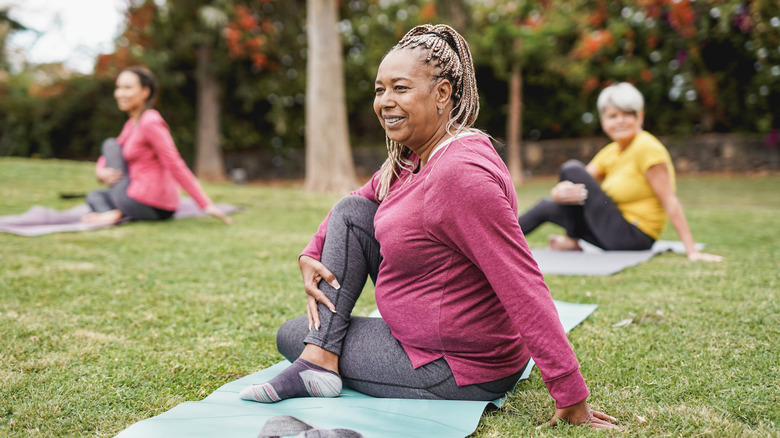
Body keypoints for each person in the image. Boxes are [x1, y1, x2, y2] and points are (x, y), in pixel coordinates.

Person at [239, 24, 620, 430]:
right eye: (379, 89)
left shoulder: (460, 175)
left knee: (291, 334)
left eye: (400, 88)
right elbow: (358, 201)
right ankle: (320, 358)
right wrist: (311, 251)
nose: (385, 101)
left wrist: (570, 394)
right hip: (429, 340)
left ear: (442, 94)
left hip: (457, 366)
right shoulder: (413, 157)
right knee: (351, 213)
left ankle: (318, 359)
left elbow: (521, 281)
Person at [518, 82, 721, 262]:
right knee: (546, 205)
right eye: (613, 116)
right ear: (603, 121)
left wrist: (691, 251)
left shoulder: (646, 147)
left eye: (627, 114)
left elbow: (670, 200)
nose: (620, 121)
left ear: (640, 116)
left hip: (634, 235)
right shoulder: (612, 151)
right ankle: (494, 247)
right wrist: (558, 192)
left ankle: (572, 240)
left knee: (570, 167)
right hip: (610, 230)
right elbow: (579, 181)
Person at [82, 66, 231, 226]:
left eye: (127, 87)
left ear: (145, 92)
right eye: (118, 87)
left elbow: (174, 163)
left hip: (149, 203)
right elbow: (110, 155)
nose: (119, 93)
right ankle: (116, 213)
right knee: (95, 196)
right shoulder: (132, 124)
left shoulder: (150, 121)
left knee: (110, 144)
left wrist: (205, 204)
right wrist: (101, 172)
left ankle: (117, 213)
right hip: (138, 199)